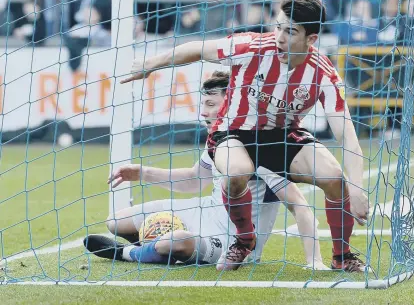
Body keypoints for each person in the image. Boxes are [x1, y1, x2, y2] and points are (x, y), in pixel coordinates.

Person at [120, 0, 369, 272]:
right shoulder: (252, 47)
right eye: (278, 27)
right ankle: (243, 240)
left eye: (291, 32)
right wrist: (151, 64)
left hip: (281, 136)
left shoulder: (322, 73)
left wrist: (357, 188)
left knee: (334, 177)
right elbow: (199, 48)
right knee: (236, 172)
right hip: (233, 133)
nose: (280, 37)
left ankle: (342, 256)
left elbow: (347, 135)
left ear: (311, 39)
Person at [85, 71, 329, 270]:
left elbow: (299, 205)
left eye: (211, 104)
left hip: (230, 241)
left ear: (233, 106)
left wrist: (314, 261)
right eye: (203, 104)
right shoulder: (219, 140)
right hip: (203, 211)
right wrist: (142, 173)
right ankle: (159, 249)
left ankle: (128, 253)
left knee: (176, 240)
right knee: (116, 222)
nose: (203, 111)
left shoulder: (261, 148)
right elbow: (195, 180)